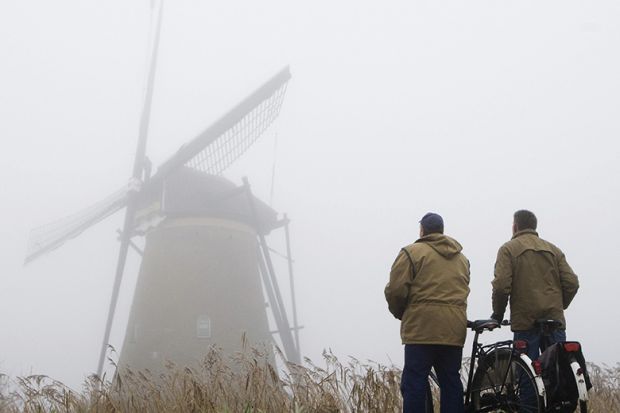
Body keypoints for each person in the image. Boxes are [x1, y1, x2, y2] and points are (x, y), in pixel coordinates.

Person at [385, 212, 470, 413]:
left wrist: (402, 313)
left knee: (414, 382)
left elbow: (396, 291)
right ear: (441, 230)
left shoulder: (410, 253)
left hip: (421, 329)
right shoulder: (462, 258)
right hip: (453, 330)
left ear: (422, 230)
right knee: (450, 382)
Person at [491, 209, 580, 361]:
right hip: (554, 321)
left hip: (526, 322)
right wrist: (558, 305)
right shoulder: (554, 250)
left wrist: (498, 315)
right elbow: (572, 283)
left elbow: (501, 285)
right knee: (559, 373)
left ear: (515, 227)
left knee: (528, 373)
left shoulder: (508, 249)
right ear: (534, 227)